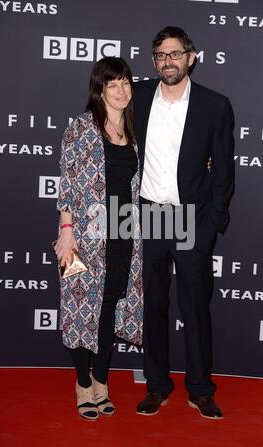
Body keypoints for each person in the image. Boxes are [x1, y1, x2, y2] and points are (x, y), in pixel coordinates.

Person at [134, 26, 234, 419]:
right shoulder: (138, 97)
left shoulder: (215, 105)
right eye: (161, 55)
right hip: (149, 214)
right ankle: (157, 385)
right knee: (154, 306)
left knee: (194, 309)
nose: (168, 62)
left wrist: (213, 222)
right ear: (154, 61)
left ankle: (200, 389)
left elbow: (224, 168)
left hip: (193, 218)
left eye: (175, 54)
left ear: (192, 57)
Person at [54, 57, 143, 420]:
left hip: (123, 236)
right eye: (113, 84)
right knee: (79, 311)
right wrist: (66, 233)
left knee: (108, 309)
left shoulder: (135, 132)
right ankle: (82, 385)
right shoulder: (81, 128)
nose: (121, 91)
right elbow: (69, 184)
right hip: (83, 238)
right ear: (100, 89)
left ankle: (101, 380)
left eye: (125, 83)